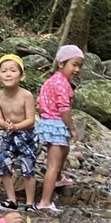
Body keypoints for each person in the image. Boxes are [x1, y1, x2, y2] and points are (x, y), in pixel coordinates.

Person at [35, 45, 85, 213]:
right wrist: (72, 128)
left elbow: (39, 102)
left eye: (80, 66)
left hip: (48, 122)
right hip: (56, 124)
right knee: (53, 165)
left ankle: (58, 178)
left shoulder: (51, 81)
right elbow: (64, 109)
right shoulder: (62, 84)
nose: (77, 69)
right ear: (61, 63)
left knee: (65, 149)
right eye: (74, 64)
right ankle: (45, 201)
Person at [0, 54, 38, 213]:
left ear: (22, 76)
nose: (8, 74)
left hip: (27, 135)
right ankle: (11, 200)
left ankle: (30, 203)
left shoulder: (26, 95)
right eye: (4, 71)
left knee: (27, 168)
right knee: (4, 165)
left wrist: (16, 126)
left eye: (13, 70)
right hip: (8, 135)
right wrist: (5, 124)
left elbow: (30, 119)